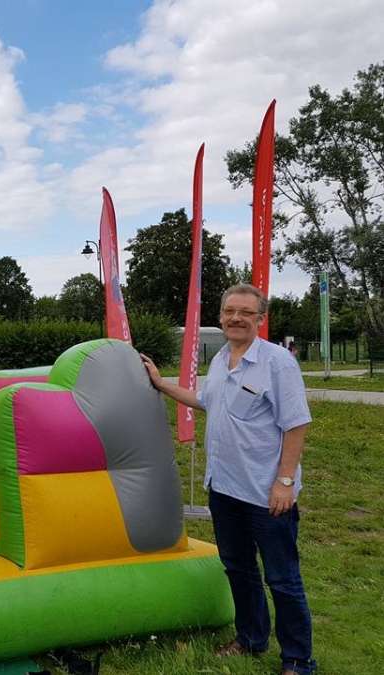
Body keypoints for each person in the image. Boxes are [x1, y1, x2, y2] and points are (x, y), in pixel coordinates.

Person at [140, 283, 316, 675]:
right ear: (220, 317)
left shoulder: (277, 362)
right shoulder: (221, 359)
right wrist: (161, 383)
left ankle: (297, 659)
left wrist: (285, 482)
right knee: (238, 569)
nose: (237, 318)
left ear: (260, 319)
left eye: (246, 313)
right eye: (230, 311)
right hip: (224, 488)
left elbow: (296, 423)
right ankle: (251, 638)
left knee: (282, 579)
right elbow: (206, 402)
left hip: (266, 493)